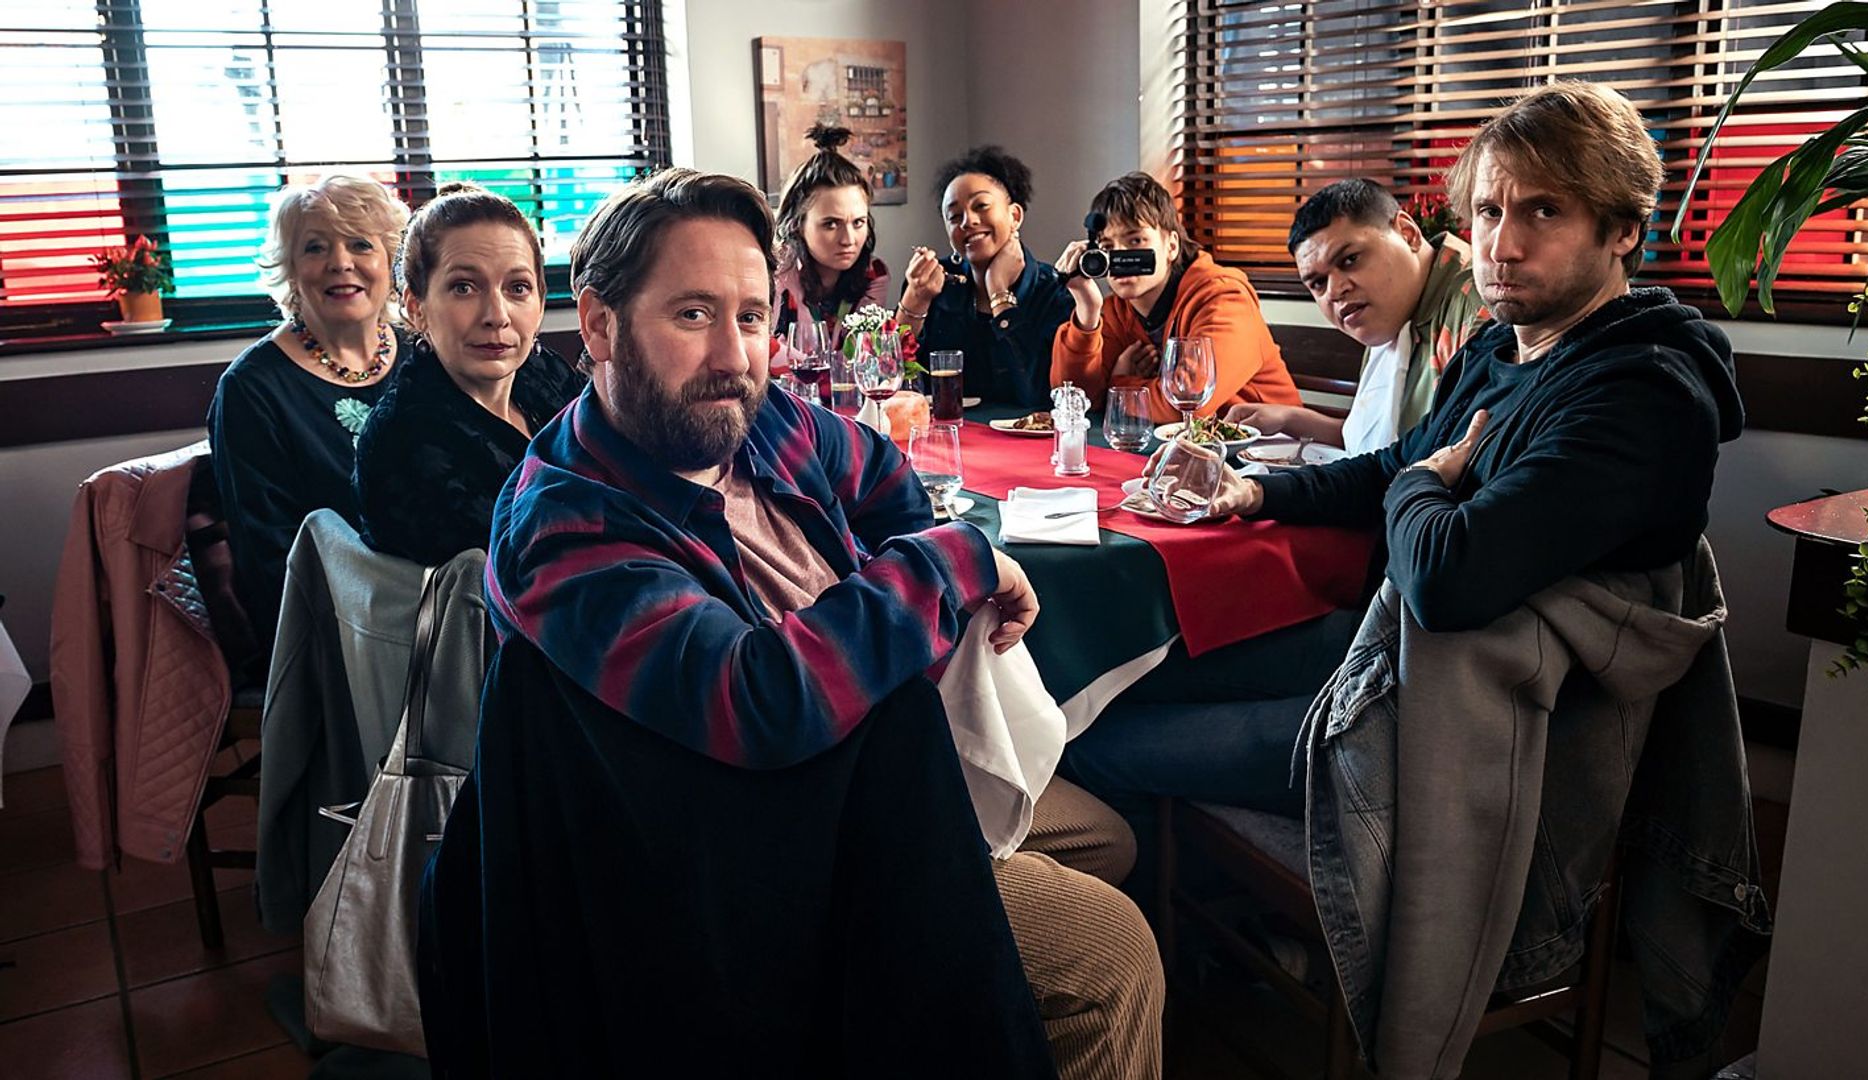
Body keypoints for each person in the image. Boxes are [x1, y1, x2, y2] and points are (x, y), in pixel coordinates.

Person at [419, 168, 1162, 1078]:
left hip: (880, 783)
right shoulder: (565, 525)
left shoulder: (759, 419)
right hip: (743, 863)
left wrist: (924, 552)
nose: (734, 355)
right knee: (1113, 958)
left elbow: (896, 493)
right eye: (692, 315)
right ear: (603, 325)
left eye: (751, 315)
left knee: (1112, 837)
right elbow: (758, 701)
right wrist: (951, 563)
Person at [1068, 75, 1744, 836]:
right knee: (1112, 677)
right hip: (1388, 652)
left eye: (1544, 211)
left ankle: (1250, 935)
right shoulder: (1499, 349)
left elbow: (1447, 576)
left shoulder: (1643, 393)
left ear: (1623, 229)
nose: (1502, 244)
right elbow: (1394, 468)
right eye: (1488, 211)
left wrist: (1421, 483)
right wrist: (1255, 493)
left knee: (1099, 740)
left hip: (1458, 723)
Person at [207, 174, 410, 646]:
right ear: (291, 270)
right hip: (333, 626)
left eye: (361, 244)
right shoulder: (251, 389)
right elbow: (268, 556)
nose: (341, 263)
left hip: (437, 599)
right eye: (316, 248)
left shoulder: (425, 355)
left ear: (389, 261)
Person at [353, 181, 586, 566]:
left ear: (541, 301)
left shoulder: (543, 374)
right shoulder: (404, 440)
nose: (496, 315)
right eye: (464, 287)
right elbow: (536, 573)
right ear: (416, 306)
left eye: (517, 288)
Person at [1226, 178, 1486, 455]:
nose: (1335, 291)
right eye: (1317, 283)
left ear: (1407, 233)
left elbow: (1466, 460)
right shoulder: (1388, 315)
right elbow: (1372, 442)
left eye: (1350, 260)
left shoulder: (1475, 306)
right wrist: (1289, 418)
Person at [1050, 171, 1301, 422]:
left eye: (1135, 240)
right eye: (1107, 247)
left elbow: (1188, 404)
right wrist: (1087, 309)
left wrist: (1120, 385)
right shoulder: (1117, 310)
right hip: (1191, 448)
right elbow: (1074, 400)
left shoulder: (1225, 298)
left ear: (1171, 245)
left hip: (1274, 450)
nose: (1121, 256)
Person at [898, 146, 1074, 408]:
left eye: (981, 206)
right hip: (949, 436)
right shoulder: (935, 285)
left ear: (1014, 215)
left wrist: (999, 292)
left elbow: (1039, 398)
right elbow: (895, 384)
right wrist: (915, 300)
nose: (968, 222)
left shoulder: (1055, 291)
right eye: (954, 216)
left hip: (1029, 446)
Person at [770, 123, 890, 369]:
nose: (848, 239)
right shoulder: (774, 270)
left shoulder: (874, 274)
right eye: (831, 224)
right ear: (796, 225)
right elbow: (760, 345)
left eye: (858, 222)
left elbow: (862, 355)